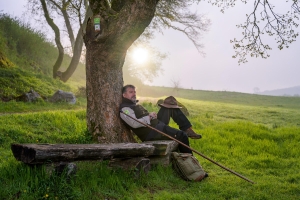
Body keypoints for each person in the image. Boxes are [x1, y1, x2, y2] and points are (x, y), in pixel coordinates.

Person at [119, 84, 202, 154]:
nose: (134, 94)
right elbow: (134, 123)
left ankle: (187, 129)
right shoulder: (125, 109)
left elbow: (142, 117)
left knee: (170, 105)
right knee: (182, 136)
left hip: (156, 126)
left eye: (134, 92)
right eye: (131, 92)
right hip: (152, 133)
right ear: (124, 95)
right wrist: (149, 117)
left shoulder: (133, 105)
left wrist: (152, 115)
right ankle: (191, 165)